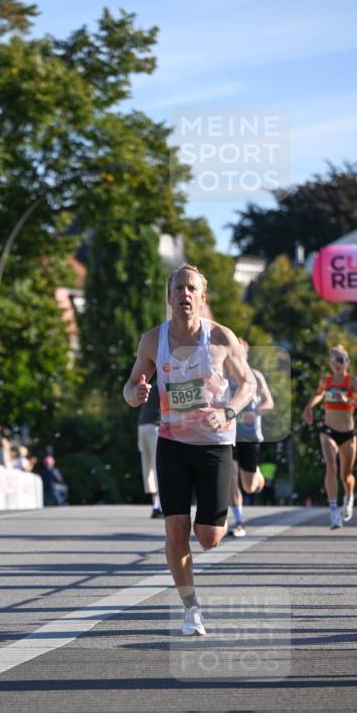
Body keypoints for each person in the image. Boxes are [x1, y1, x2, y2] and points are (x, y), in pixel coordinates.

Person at [123, 263, 255, 637]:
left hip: (214, 444)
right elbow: (130, 389)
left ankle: (220, 520)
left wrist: (228, 411)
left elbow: (247, 386)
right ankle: (190, 608)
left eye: (191, 288)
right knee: (175, 531)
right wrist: (136, 393)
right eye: (178, 287)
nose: (184, 293)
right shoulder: (152, 340)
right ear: (169, 297)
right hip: (173, 443)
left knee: (209, 538)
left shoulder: (221, 339)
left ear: (202, 297)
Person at [303, 344, 357, 528]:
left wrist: (351, 400)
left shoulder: (352, 382)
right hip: (329, 430)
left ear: (347, 362)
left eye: (342, 360)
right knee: (331, 467)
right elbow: (319, 394)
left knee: (346, 476)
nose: (339, 364)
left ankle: (349, 497)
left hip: (348, 433)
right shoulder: (325, 381)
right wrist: (309, 407)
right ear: (330, 363)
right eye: (335, 360)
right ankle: (333, 512)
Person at [227, 339, 274, 537]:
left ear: (245, 355)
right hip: (227, 434)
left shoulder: (255, 376)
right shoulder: (223, 377)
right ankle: (238, 522)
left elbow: (268, 402)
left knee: (249, 486)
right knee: (230, 477)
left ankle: (258, 478)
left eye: (240, 353)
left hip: (249, 436)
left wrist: (255, 413)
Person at [137, 379, 163, 518]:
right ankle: (161, 505)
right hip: (155, 426)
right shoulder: (168, 380)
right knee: (159, 465)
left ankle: (155, 505)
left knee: (148, 467)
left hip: (142, 425)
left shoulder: (152, 383)